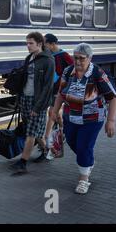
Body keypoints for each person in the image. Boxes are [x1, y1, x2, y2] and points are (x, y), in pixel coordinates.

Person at [51, 43, 116, 194]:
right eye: (75, 58)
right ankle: (87, 161)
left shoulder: (98, 74)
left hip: (92, 118)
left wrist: (111, 121)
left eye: (81, 59)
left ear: (90, 58)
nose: (77, 62)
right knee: (72, 142)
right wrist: (55, 110)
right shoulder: (68, 71)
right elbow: (61, 93)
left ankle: (83, 179)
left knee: (83, 147)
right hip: (71, 117)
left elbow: (113, 98)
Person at [10, 32, 55, 174]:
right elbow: (24, 81)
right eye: (27, 43)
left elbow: (48, 87)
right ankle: (47, 150)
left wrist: (38, 106)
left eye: (31, 43)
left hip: (38, 102)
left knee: (30, 132)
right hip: (25, 99)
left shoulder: (48, 61)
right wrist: (19, 98)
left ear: (39, 44)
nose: (27, 46)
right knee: (35, 132)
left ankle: (23, 162)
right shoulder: (29, 58)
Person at [35, 33, 73, 162]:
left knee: (52, 112)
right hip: (49, 88)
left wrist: (64, 81)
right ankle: (63, 130)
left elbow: (74, 70)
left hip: (59, 89)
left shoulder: (64, 56)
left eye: (45, 43)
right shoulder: (48, 55)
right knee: (56, 115)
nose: (43, 45)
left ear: (52, 44)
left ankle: (47, 139)